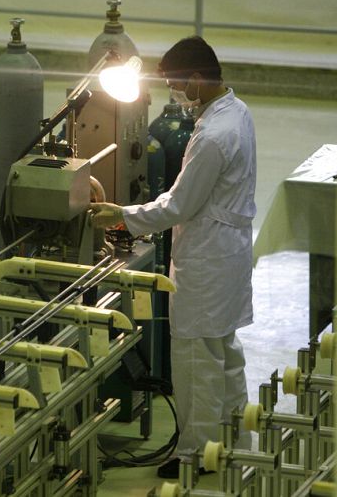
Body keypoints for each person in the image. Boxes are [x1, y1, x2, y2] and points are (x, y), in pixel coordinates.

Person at [91, 36, 256, 479]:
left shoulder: (215, 136)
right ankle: (236, 438)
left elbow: (177, 206)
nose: (175, 94)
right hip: (228, 253)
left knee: (196, 361)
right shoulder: (236, 112)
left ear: (198, 80)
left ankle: (195, 454)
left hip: (208, 258)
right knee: (223, 350)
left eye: (177, 85)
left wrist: (121, 215)